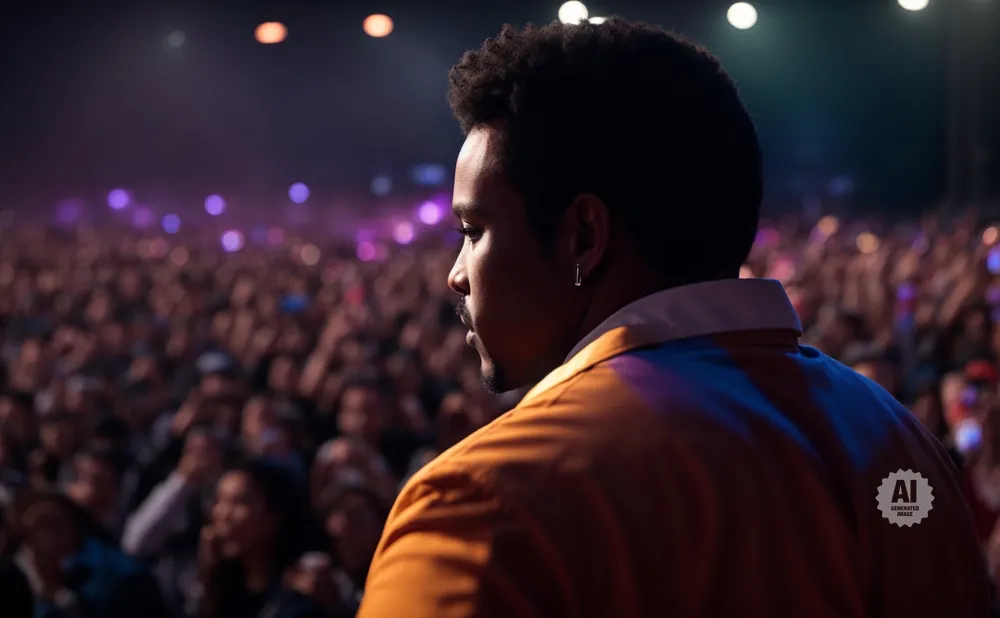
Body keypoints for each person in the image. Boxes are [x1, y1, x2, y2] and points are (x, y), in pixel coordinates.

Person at [359, 18, 991, 618]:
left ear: (584, 237)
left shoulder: (481, 503)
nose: (456, 274)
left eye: (473, 230)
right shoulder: (903, 448)